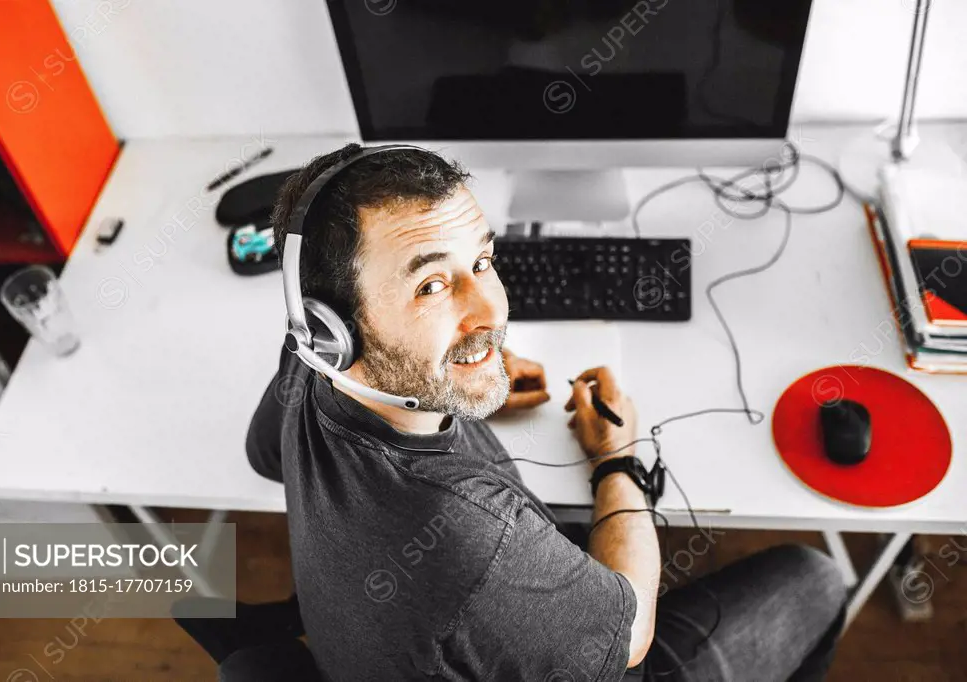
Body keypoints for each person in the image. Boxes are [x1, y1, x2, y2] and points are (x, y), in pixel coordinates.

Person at [246, 144, 848, 681]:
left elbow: (265, 453)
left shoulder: (311, 361)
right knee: (814, 578)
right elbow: (633, 634)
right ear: (333, 331)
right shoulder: (474, 538)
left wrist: (465, 365)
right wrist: (618, 460)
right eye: (431, 286)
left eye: (481, 263)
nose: (493, 310)